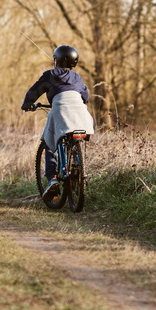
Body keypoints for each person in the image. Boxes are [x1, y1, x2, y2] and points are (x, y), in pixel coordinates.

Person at [21, 44, 95, 201]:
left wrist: (27, 105)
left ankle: (53, 178)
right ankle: (78, 167)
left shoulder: (49, 75)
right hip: (81, 113)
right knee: (74, 137)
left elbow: (35, 91)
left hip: (60, 111)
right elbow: (85, 96)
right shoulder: (77, 77)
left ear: (56, 61)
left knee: (49, 141)